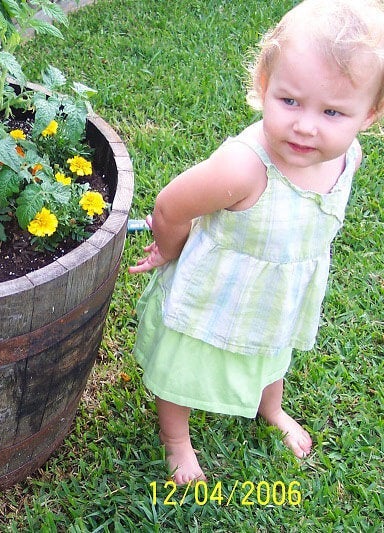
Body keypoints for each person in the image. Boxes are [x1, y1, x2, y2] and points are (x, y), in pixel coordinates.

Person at [128, 0, 384, 484]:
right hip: (215, 293)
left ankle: (271, 408)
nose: (306, 125)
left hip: (277, 292)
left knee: (272, 348)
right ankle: (177, 441)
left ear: (369, 115)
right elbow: (169, 206)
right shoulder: (243, 167)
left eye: (332, 111)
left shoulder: (347, 156)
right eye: (289, 101)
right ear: (264, 86)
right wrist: (170, 249)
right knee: (184, 364)